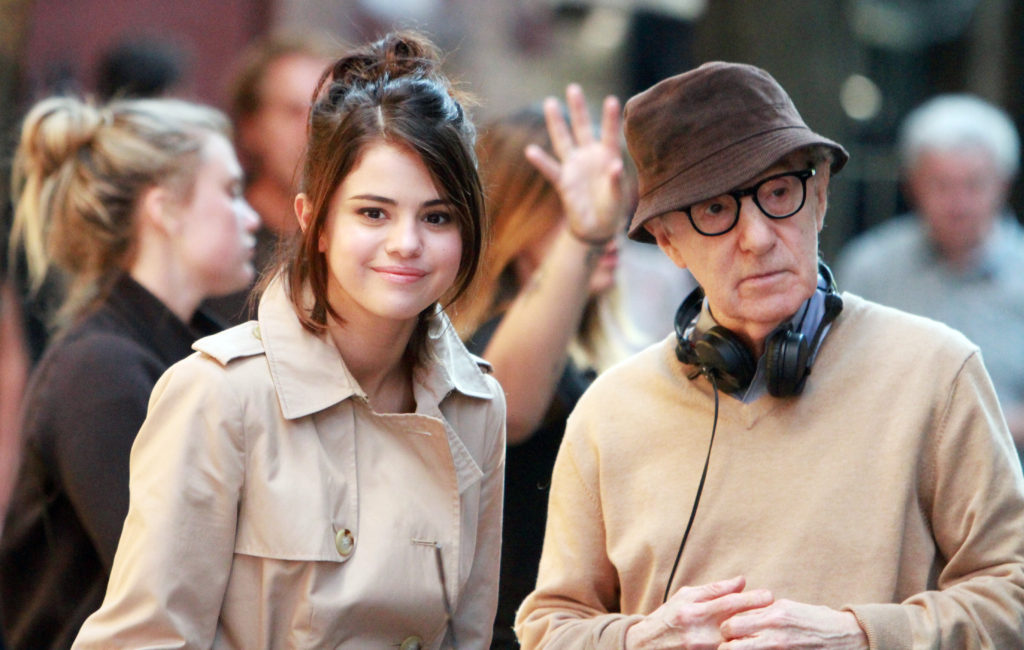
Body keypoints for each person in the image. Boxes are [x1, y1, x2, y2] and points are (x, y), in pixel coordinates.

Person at [515, 61, 1024, 648]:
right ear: (668, 242)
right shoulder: (609, 410)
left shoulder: (938, 370)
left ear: (821, 196)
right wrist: (641, 639)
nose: (756, 237)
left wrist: (861, 636)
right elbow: (549, 626)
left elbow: (1009, 594)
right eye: (714, 210)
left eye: (779, 192)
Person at [73, 31, 505, 649]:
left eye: (437, 216)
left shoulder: (477, 403)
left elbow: (469, 633)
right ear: (314, 223)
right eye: (373, 213)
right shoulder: (219, 394)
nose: (407, 242)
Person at [0, 95, 258, 649]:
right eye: (231, 192)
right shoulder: (100, 372)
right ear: (164, 210)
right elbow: (172, 583)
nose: (253, 216)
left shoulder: (188, 350)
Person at [450, 92, 635, 647]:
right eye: (570, 203)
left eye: (611, 202)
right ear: (514, 214)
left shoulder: (575, 350)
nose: (608, 223)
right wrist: (582, 237)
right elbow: (507, 407)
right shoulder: (477, 346)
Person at [835, 94, 1024, 465]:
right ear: (913, 185)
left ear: (1002, 184)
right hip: (889, 482)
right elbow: (837, 380)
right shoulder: (870, 265)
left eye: (974, 184)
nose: (958, 204)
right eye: (941, 185)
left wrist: (969, 428)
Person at [203, 30, 335, 324]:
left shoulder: (355, 239)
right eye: (293, 111)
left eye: (327, 111)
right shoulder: (212, 239)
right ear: (251, 127)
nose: (314, 128)